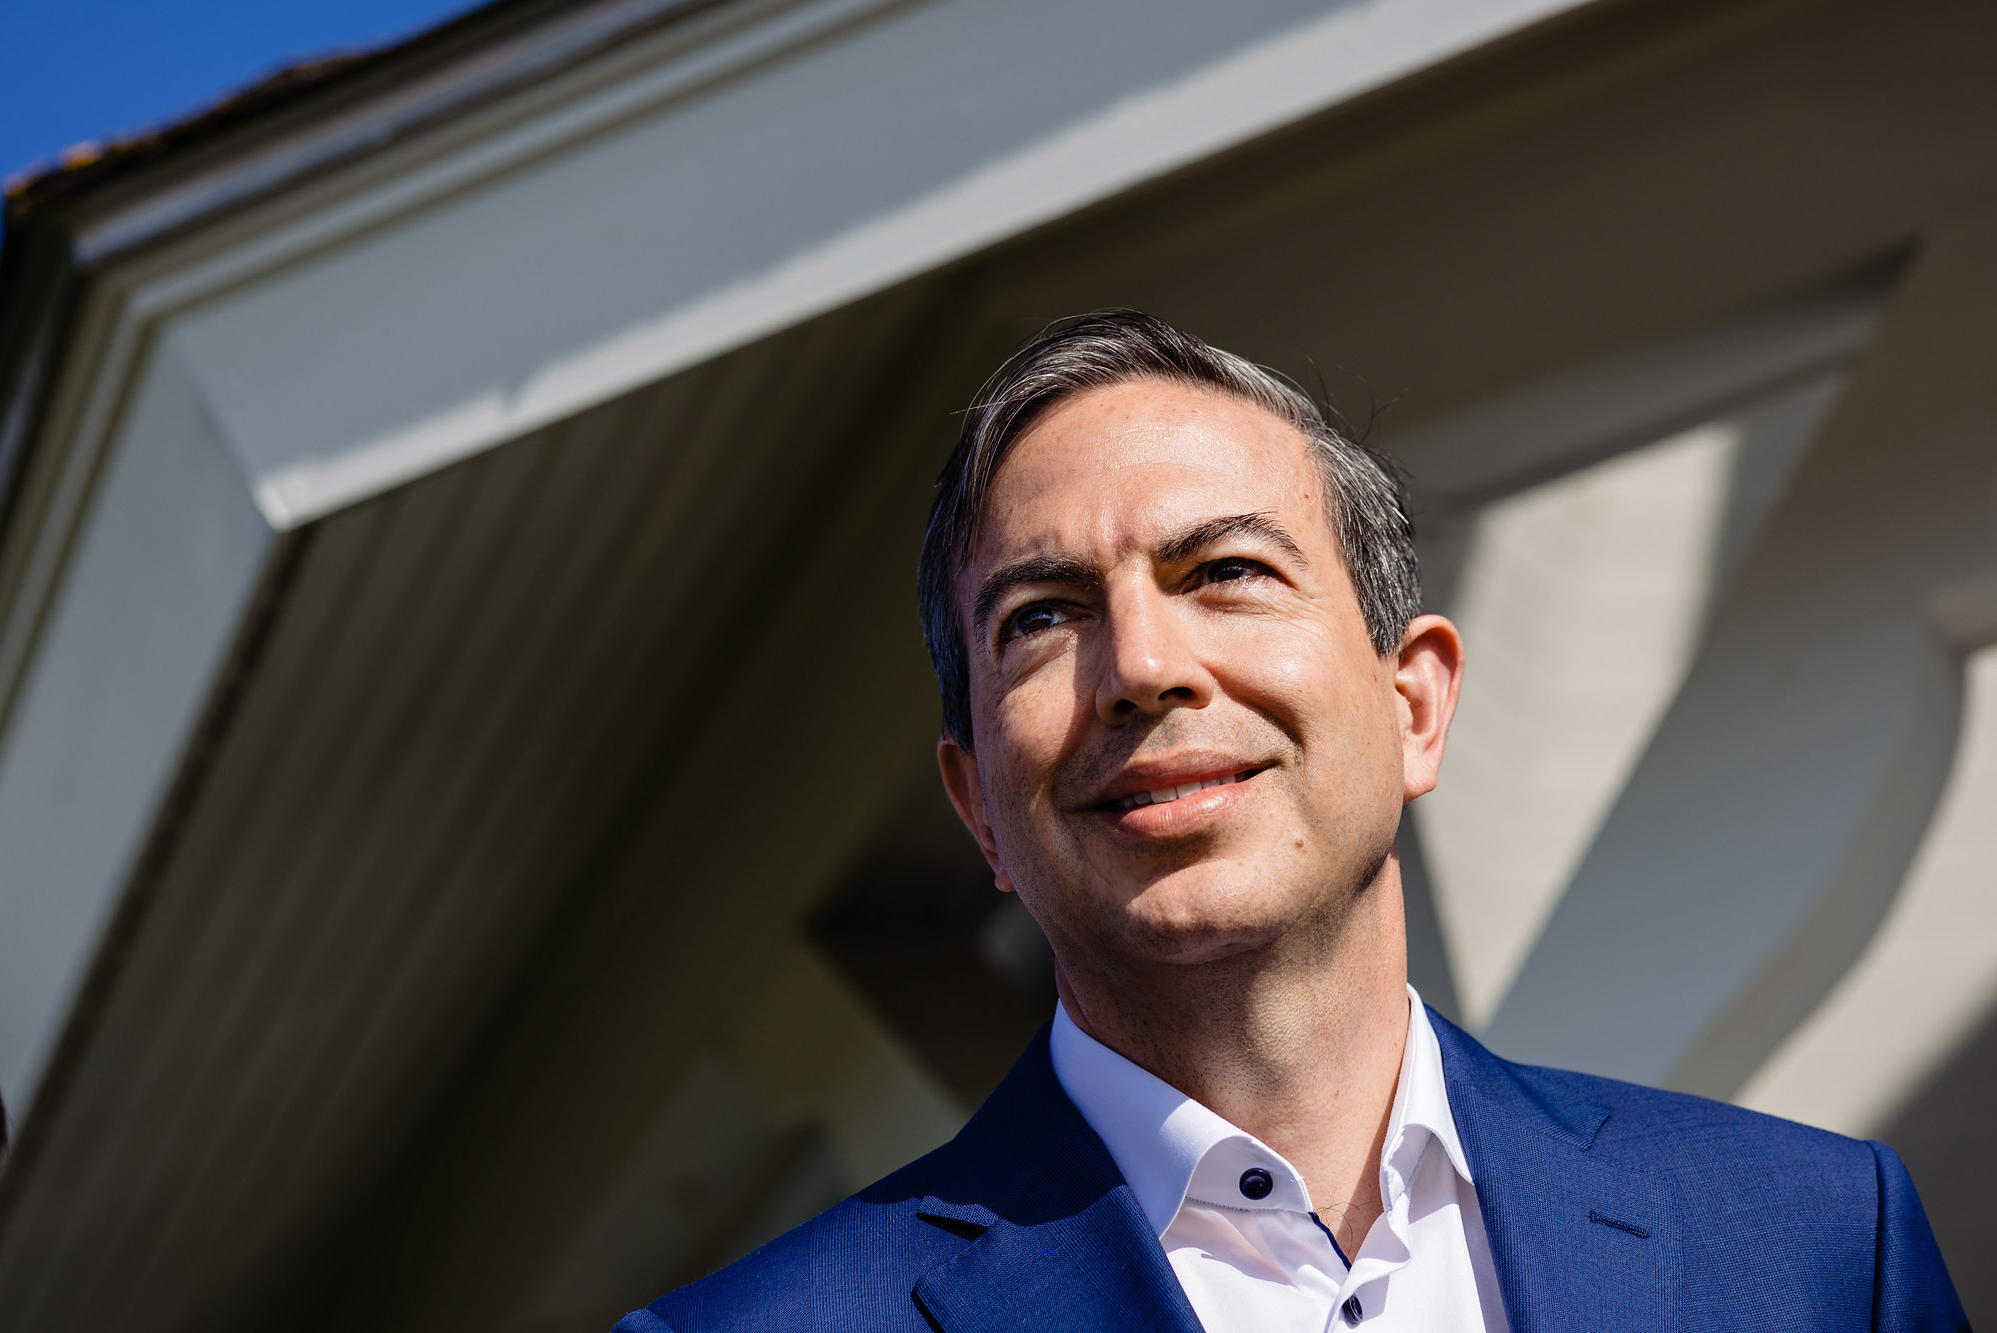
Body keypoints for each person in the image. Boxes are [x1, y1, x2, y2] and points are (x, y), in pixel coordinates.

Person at [617, 311, 1964, 1331]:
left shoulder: (1818, 1249)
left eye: (1228, 570)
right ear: (978, 808)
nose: (1142, 663)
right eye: (1042, 617)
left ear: (1414, 704)